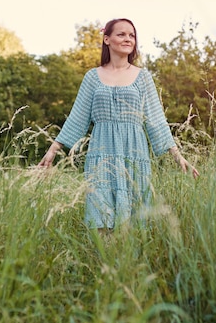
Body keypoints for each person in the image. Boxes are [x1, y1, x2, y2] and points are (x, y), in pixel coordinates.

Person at [38, 18, 199, 231]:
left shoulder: (143, 77)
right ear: (107, 39)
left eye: (131, 35)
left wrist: (177, 156)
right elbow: (77, 117)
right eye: (121, 34)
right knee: (101, 221)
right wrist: (52, 150)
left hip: (134, 154)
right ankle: (105, 262)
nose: (128, 39)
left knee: (131, 222)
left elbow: (156, 119)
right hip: (101, 154)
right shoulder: (92, 77)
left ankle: (127, 262)